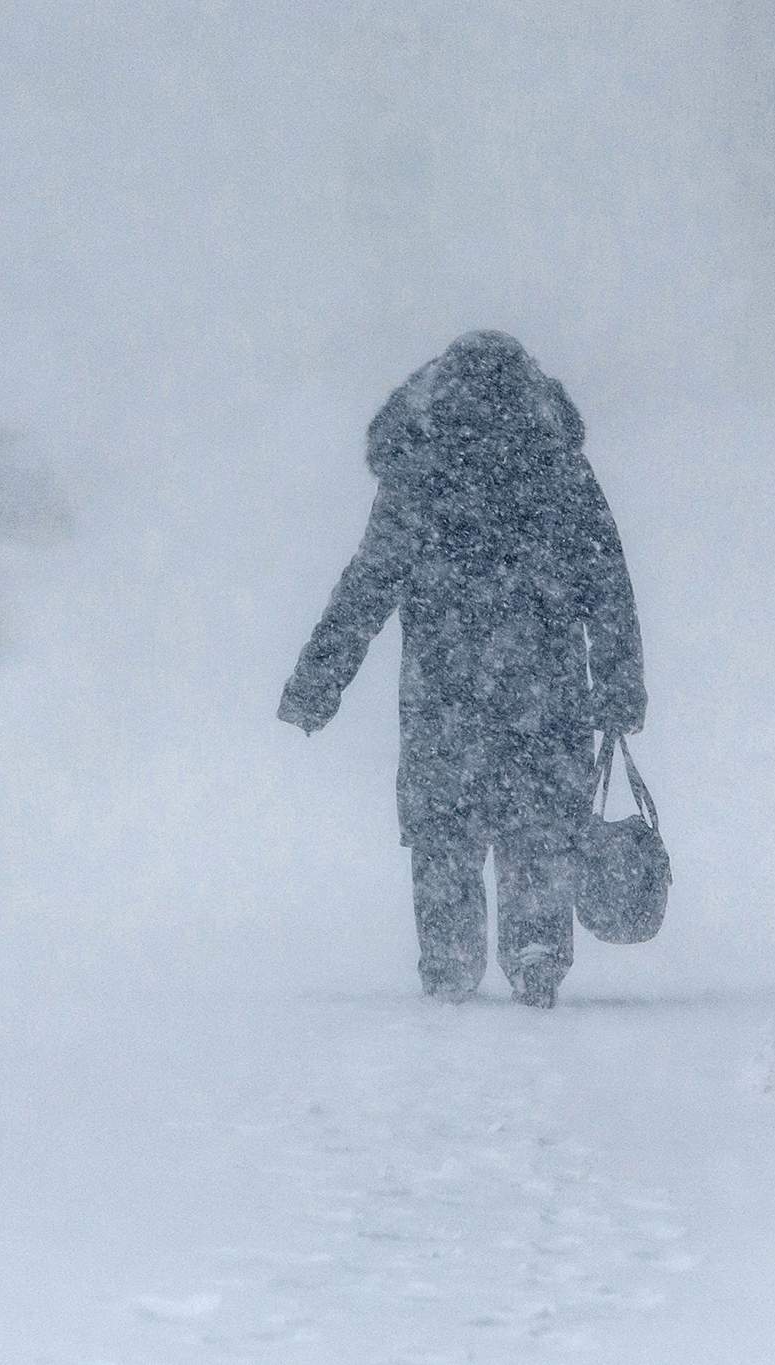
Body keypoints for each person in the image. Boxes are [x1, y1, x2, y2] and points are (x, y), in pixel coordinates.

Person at [278, 331, 645, 1009]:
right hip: (547, 679)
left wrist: (318, 680)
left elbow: (369, 582)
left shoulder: (420, 466)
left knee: (444, 823)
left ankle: (449, 953)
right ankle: (535, 947)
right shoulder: (555, 463)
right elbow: (606, 580)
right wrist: (620, 683)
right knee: (537, 816)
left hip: (446, 685)